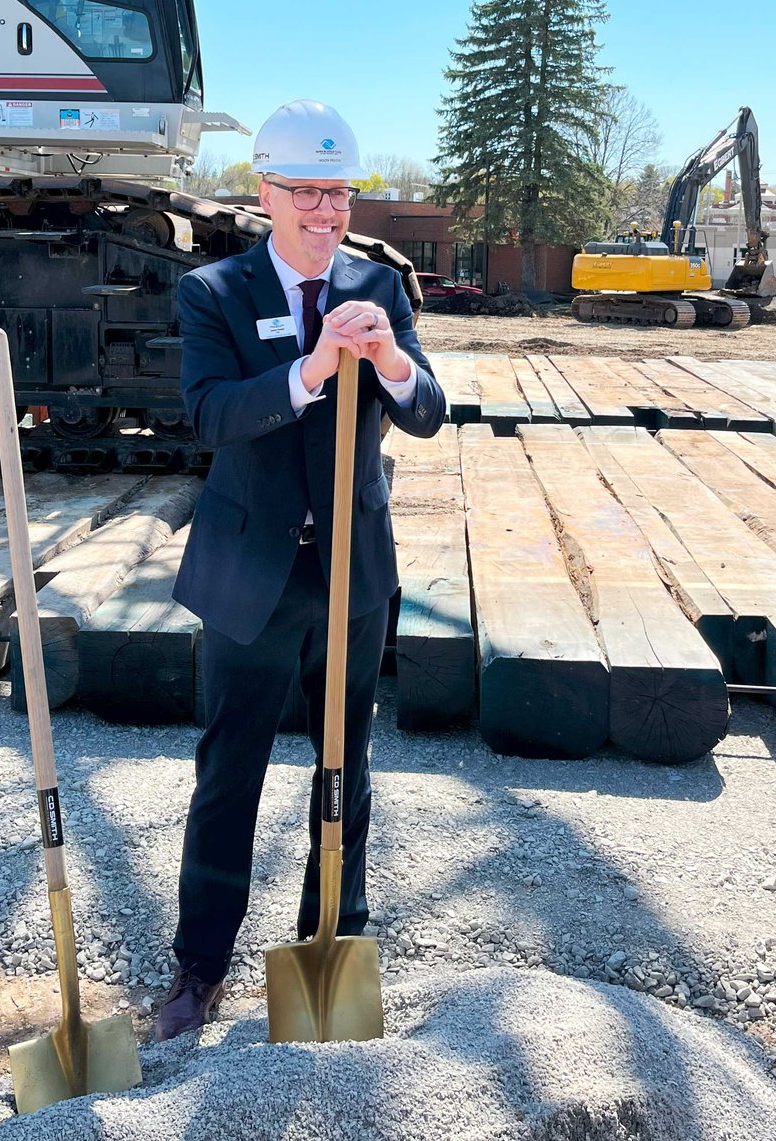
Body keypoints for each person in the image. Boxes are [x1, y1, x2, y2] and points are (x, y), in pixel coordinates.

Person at [155, 99, 445, 1041]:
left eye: (338, 193)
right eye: (305, 192)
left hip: (352, 572)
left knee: (346, 766)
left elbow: (428, 410)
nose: (325, 212)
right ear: (266, 192)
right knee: (228, 771)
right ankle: (199, 969)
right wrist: (313, 369)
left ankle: (331, 939)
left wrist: (394, 360)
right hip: (250, 571)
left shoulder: (379, 285)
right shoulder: (215, 293)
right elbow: (209, 414)